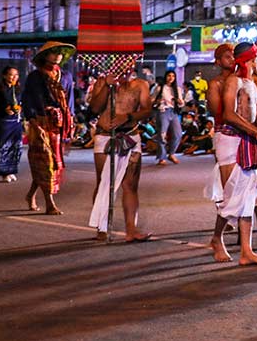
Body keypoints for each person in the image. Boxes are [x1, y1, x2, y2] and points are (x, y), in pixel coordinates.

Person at [206, 43, 257, 265]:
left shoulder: (252, 82)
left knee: (248, 196)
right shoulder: (233, 81)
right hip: (229, 140)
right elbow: (229, 115)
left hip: (248, 139)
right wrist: (256, 131)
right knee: (232, 197)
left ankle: (246, 250)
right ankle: (217, 238)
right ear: (250, 59)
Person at [86, 64, 153, 241]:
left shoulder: (140, 85)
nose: (123, 67)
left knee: (130, 185)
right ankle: (102, 227)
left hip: (130, 136)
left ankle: (131, 230)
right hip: (105, 136)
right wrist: (108, 86)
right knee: (104, 183)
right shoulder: (102, 82)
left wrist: (128, 117)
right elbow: (94, 108)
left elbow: (147, 110)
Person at [21, 42, 75, 215]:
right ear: (45, 56)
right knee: (45, 162)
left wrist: (71, 121)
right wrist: (33, 121)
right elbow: (28, 100)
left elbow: (70, 101)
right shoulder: (35, 77)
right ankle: (49, 203)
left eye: (60, 52)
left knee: (53, 164)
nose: (57, 55)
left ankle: (31, 195)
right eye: (54, 52)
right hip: (40, 123)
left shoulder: (65, 76)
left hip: (59, 125)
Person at [0, 66, 23, 182]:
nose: (14, 77)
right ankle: (4, 172)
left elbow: (22, 102)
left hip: (15, 122)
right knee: (3, 147)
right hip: (3, 123)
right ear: (4, 76)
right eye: (11, 74)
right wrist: (4, 109)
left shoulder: (18, 88)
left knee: (15, 146)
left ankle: (11, 170)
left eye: (16, 75)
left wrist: (20, 109)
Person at [153, 70, 184, 165]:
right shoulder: (159, 88)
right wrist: (156, 102)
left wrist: (179, 102)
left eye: (173, 76)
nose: (171, 78)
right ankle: (162, 157)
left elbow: (182, 103)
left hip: (174, 112)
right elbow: (152, 100)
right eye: (169, 76)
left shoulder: (177, 89)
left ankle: (171, 153)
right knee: (162, 135)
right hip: (163, 111)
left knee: (178, 134)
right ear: (165, 76)